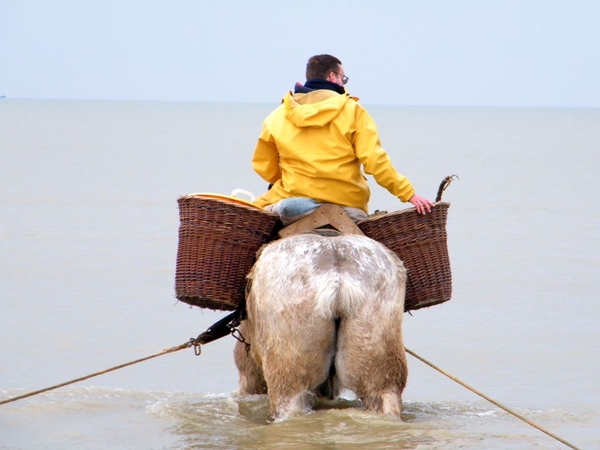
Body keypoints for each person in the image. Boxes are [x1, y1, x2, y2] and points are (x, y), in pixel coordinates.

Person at [252, 54, 434, 225]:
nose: (344, 83)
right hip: (347, 205)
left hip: (294, 203)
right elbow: (374, 161)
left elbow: (264, 167)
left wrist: (288, 179)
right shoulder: (354, 111)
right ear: (332, 77)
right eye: (343, 79)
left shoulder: (276, 116)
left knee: (253, 222)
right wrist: (408, 194)